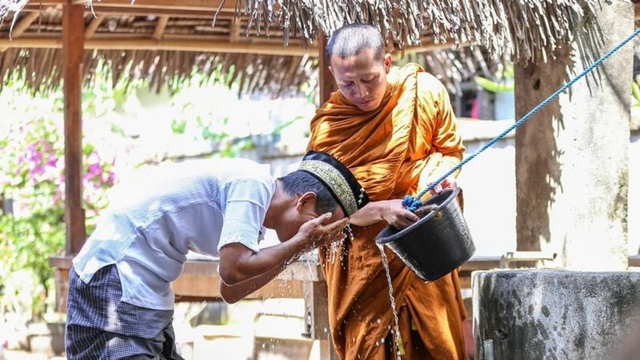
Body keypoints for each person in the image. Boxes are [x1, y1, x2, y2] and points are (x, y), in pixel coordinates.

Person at [64, 150, 369, 360]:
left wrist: (297, 247)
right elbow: (232, 271)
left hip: (140, 288)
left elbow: (231, 292)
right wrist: (298, 244)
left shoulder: (256, 212)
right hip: (115, 273)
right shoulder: (252, 186)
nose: (318, 237)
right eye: (320, 224)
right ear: (305, 201)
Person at [306, 23, 468, 359]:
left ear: (387, 63)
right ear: (331, 73)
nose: (361, 92)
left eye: (369, 79)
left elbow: (450, 152)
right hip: (367, 265)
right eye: (347, 83)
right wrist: (381, 209)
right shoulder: (329, 128)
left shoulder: (424, 92)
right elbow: (326, 211)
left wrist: (438, 175)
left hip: (426, 247)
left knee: (437, 346)